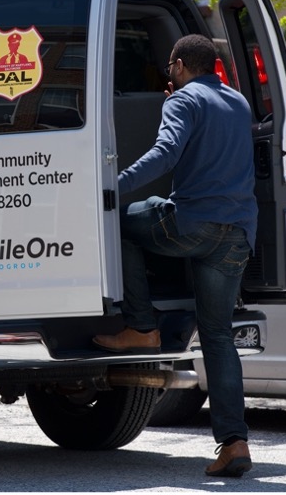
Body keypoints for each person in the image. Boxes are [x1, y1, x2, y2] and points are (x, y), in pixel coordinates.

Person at [93, 34, 257, 478]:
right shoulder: (238, 102)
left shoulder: (182, 101)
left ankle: (143, 328)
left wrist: (111, 188)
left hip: (193, 224)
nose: (169, 74)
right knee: (219, 337)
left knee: (122, 223)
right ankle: (234, 443)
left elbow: (166, 154)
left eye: (170, 66)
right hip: (237, 233)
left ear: (181, 64)